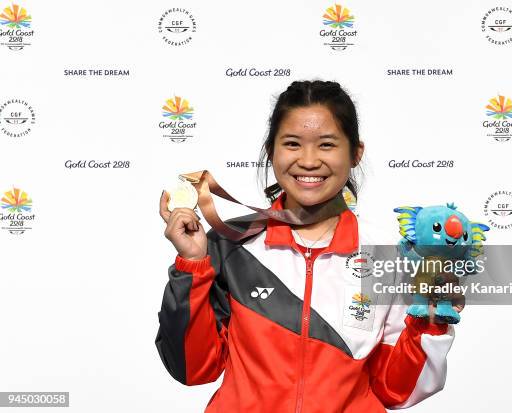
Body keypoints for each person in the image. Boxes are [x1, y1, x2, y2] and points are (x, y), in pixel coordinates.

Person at [155, 80, 458, 412]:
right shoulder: (230, 245)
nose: (309, 161)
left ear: (356, 153)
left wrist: (429, 323)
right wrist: (193, 264)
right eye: (292, 144)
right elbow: (192, 369)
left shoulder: (388, 254)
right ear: (271, 150)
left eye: (327, 144)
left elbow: (395, 390)